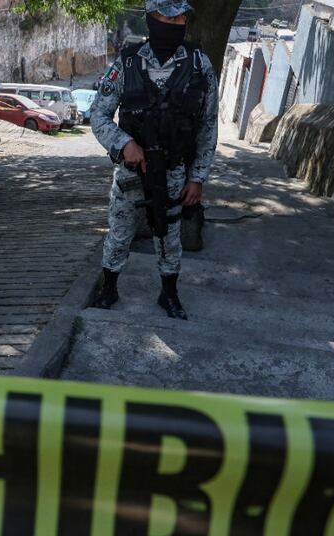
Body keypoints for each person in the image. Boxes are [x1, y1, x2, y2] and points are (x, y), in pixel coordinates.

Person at [89, 0, 219, 320]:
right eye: (166, 17)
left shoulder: (199, 65)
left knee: (169, 237)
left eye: (181, 18)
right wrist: (125, 144)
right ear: (151, 18)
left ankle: (169, 294)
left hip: (175, 173)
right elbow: (99, 115)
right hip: (131, 173)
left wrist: (198, 177)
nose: (175, 24)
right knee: (119, 234)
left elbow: (207, 126)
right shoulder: (127, 63)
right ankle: (109, 288)